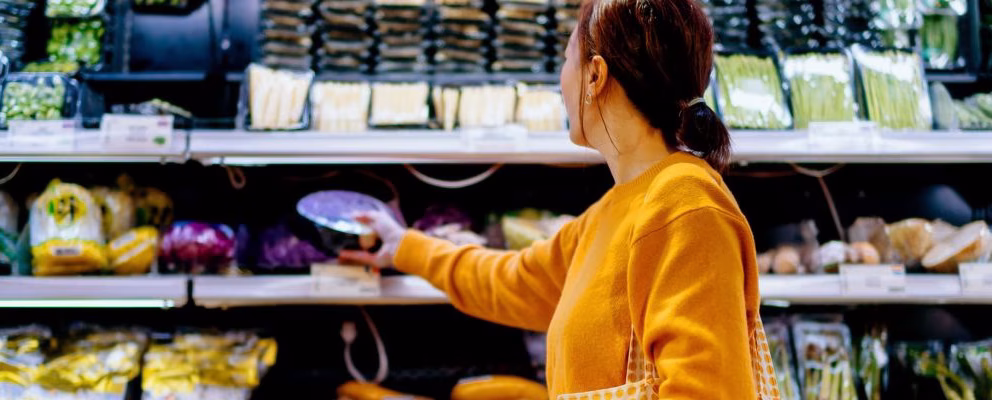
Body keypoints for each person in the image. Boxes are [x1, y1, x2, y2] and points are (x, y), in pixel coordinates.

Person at [340, 0, 779, 397]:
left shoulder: (686, 206)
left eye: (567, 59)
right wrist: (405, 247)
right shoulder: (613, 212)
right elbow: (512, 281)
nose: (560, 81)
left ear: (595, 76)